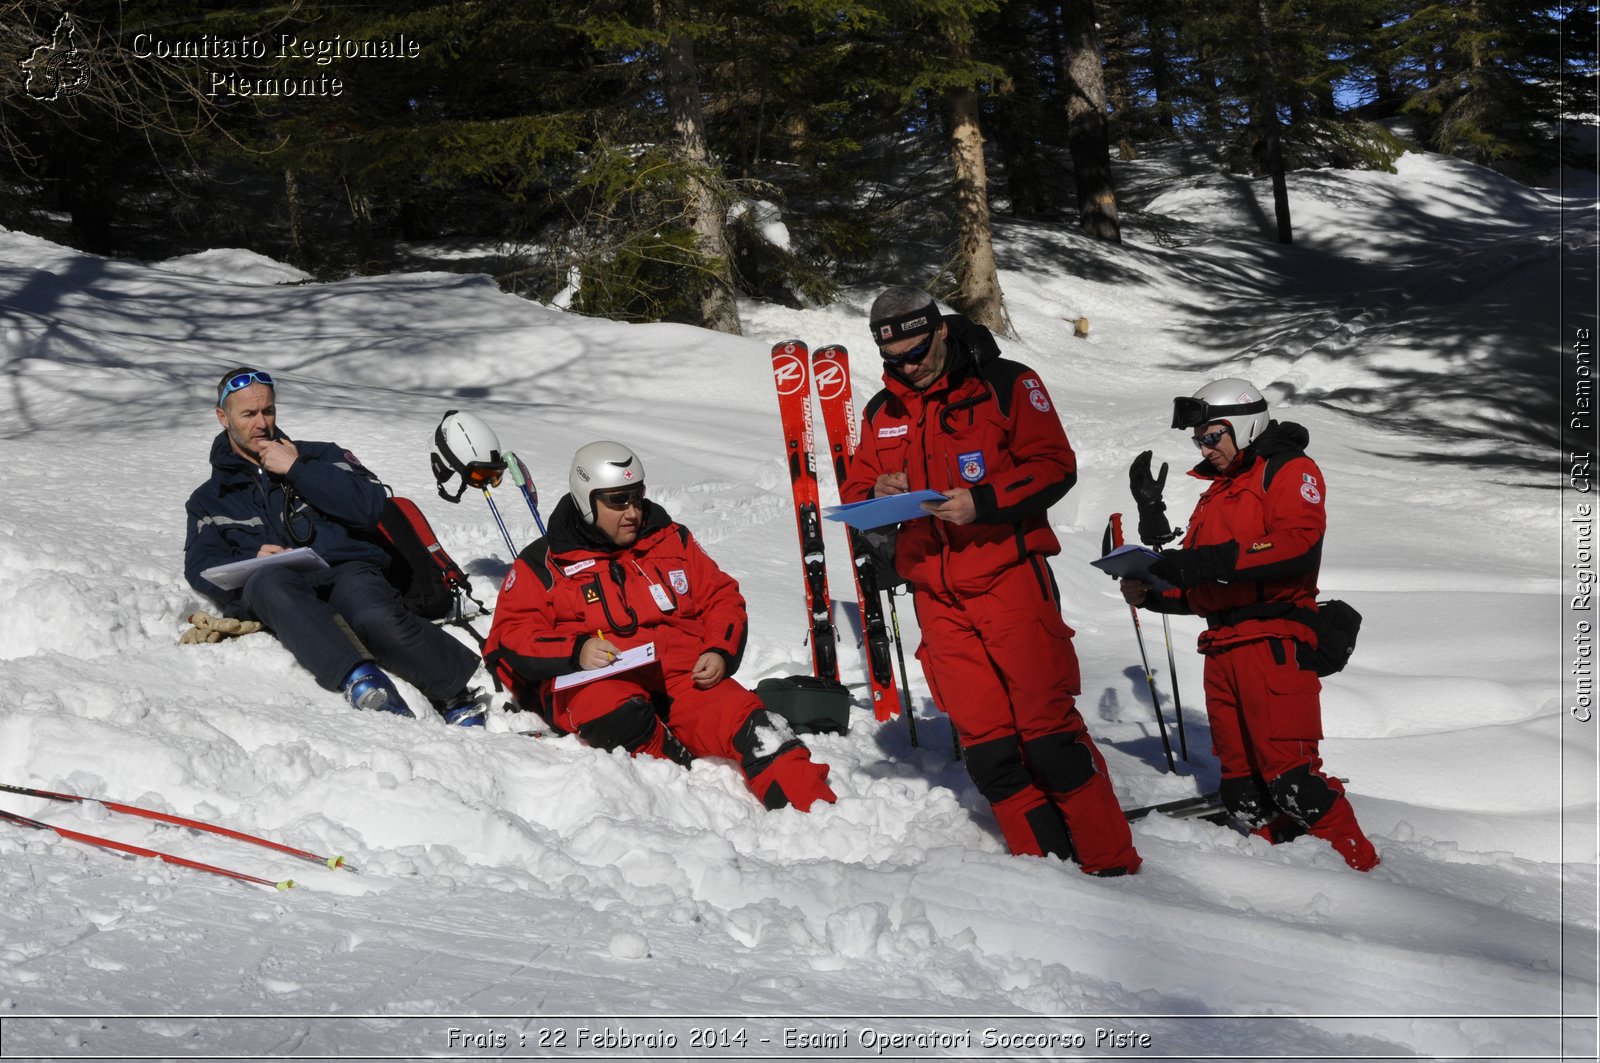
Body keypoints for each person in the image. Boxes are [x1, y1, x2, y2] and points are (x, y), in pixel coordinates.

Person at [840, 286, 1142, 876]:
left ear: (941, 331)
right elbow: (855, 493)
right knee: (990, 751)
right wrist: (876, 494)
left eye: (917, 351)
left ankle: (1111, 866)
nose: (909, 366)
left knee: (1049, 737)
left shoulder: (1006, 384)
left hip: (1010, 582)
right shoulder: (883, 411)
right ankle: (1049, 870)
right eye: (895, 359)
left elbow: (1055, 466)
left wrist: (984, 502)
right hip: (936, 597)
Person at [483, 441, 836, 812]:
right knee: (617, 713)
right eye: (618, 501)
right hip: (597, 681)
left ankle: (819, 815)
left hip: (682, 677)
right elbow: (513, 634)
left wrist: (719, 649)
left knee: (759, 727)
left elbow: (721, 597)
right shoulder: (545, 563)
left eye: (637, 497)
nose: (633, 512)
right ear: (588, 502)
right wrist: (575, 650)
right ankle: (674, 779)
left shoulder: (670, 539)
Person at [1120, 377, 1379, 872]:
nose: (1205, 447)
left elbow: (1296, 543)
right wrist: (1154, 592)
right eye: (1198, 439)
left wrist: (1201, 563)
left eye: (1212, 435)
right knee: (1242, 788)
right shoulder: (1218, 493)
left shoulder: (1287, 469)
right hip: (1222, 646)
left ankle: (1361, 871)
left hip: (1274, 640)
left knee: (1292, 780)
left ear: (1243, 424)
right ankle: (1286, 877)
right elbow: (1208, 584)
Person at [184, 367, 485, 724]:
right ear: (223, 417)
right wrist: (253, 559)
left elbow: (372, 506)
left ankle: (455, 693)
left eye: (268, 410)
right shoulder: (210, 498)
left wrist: (297, 468)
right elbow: (201, 565)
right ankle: (364, 683)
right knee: (269, 583)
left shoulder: (321, 456)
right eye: (248, 414)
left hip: (345, 570)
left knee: (371, 612)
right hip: (278, 586)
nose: (262, 423)